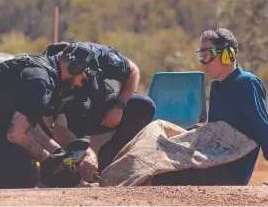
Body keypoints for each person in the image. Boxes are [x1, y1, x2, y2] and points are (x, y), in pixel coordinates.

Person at [0, 42, 101, 189]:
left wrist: (57, 152)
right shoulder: (40, 80)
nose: (81, 83)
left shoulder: (43, 73)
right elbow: (16, 134)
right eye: (84, 78)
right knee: (26, 175)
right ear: (76, 67)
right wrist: (47, 159)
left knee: (28, 164)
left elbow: (30, 125)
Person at [152, 28, 268, 185]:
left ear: (228, 55)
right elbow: (215, 130)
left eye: (207, 56)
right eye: (201, 56)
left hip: (232, 171)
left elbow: (262, 128)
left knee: (164, 178)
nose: (203, 62)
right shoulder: (216, 86)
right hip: (213, 160)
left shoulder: (246, 83)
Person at [43, 42, 156, 182]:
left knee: (143, 106)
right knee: (64, 173)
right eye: (82, 77)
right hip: (70, 125)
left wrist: (119, 105)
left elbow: (133, 71)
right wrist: (86, 152)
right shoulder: (49, 76)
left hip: (98, 108)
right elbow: (57, 129)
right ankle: (77, 168)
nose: (84, 80)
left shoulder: (98, 55)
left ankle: (109, 161)